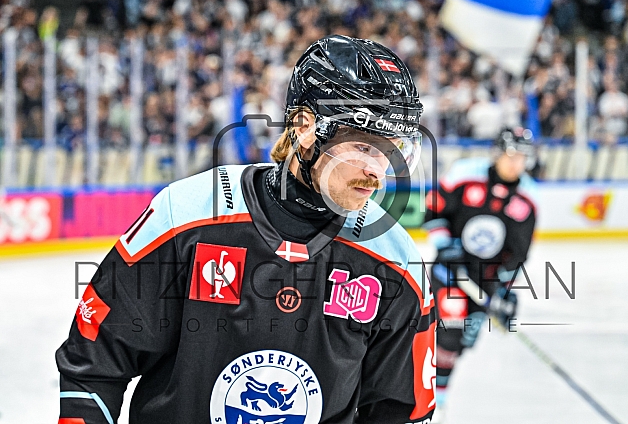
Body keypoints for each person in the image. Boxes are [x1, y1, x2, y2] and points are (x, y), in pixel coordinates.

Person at [56, 35, 437, 424]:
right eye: (364, 147)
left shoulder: (396, 260)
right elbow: (94, 366)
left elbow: (401, 412)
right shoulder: (187, 215)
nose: (378, 172)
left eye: (391, 150)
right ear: (305, 127)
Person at [422, 127, 538, 422]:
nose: (515, 162)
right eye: (511, 154)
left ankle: (438, 394)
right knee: (449, 331)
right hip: (449, 272)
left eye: (522, 157)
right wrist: (445, 245)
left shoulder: (528, 197)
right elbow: (433, 209)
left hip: (484, 282)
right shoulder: (465, 175)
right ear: (497, 153)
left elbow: (519, 252)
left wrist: (504, 292)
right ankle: (431, 402)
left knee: (463, 342)